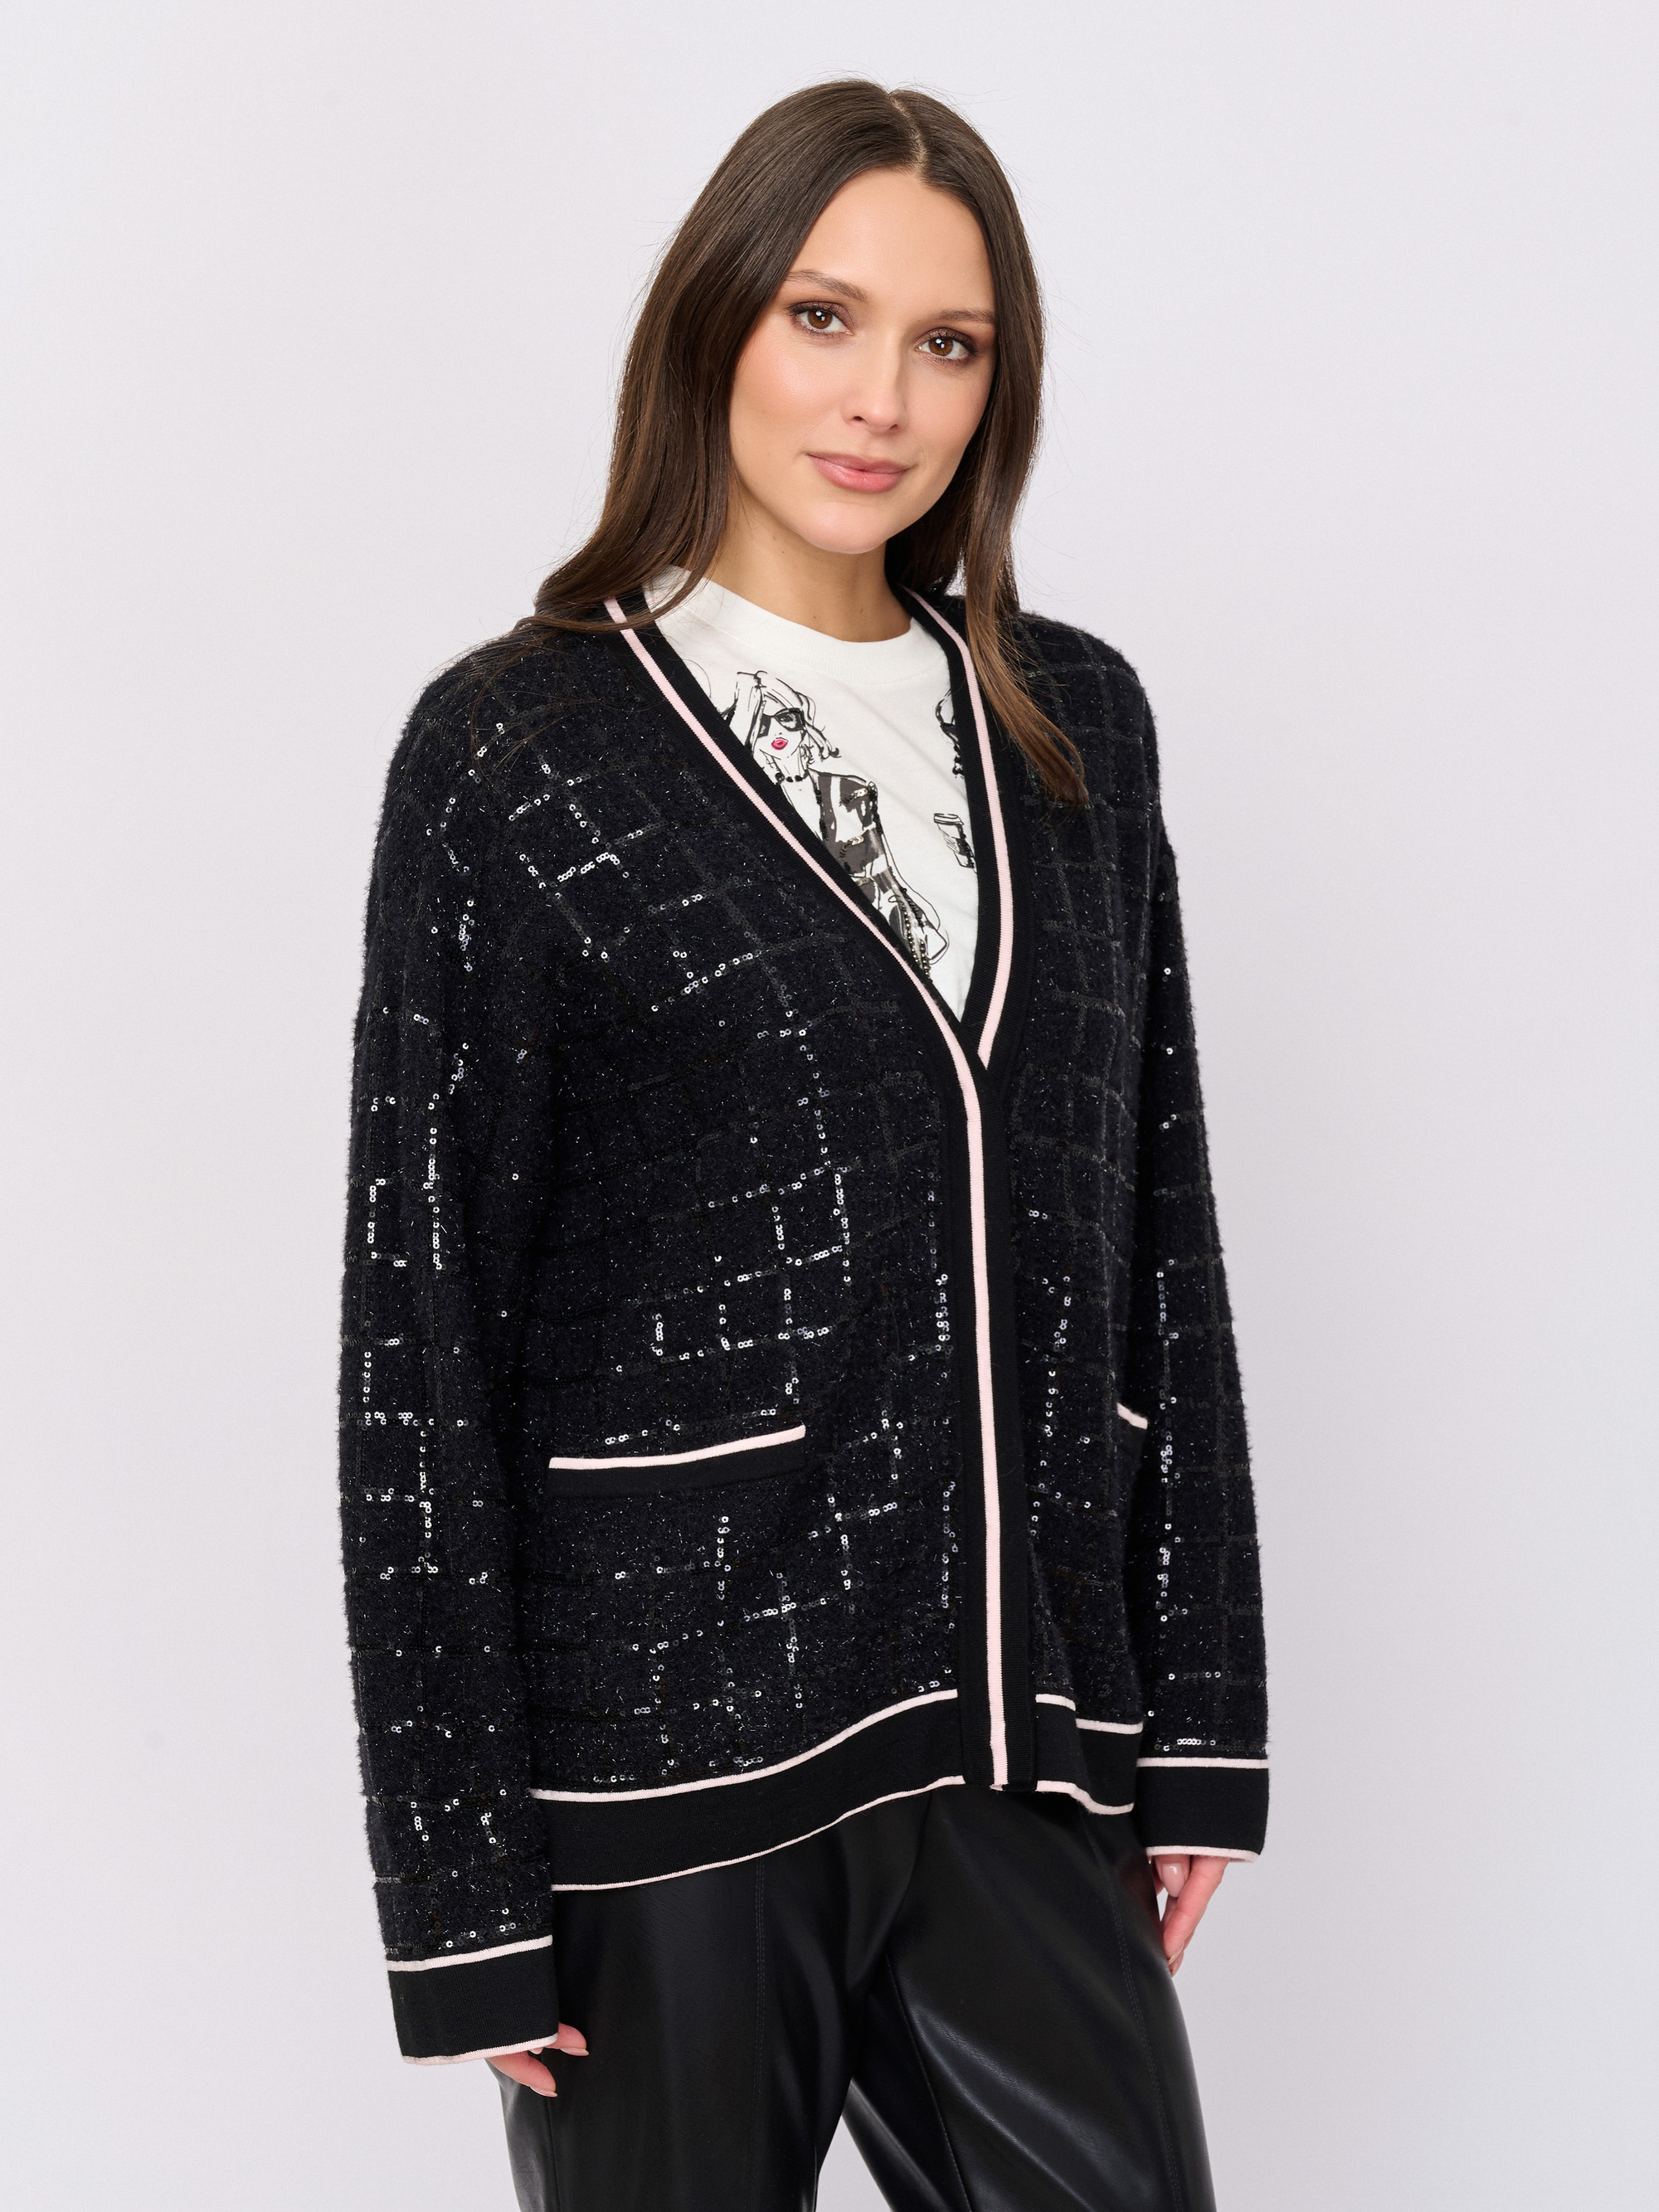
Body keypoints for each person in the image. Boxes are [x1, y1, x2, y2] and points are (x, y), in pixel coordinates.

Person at [339, 78, 1267, 2212]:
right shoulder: (522, 749)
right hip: (657, 1775)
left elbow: (1159, 1230)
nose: (882, 399)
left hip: (1011, 1738)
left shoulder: (1074, 728)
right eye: (824, 317)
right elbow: (419, 1334)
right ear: (719, 323)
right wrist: (457, 1880)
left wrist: (1197, 1714)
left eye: (948, 344)